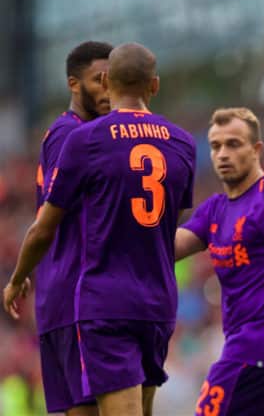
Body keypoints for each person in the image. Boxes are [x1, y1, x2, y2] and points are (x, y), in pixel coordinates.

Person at [3, 42, 196, 416]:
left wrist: (18, 275)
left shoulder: (85, 139)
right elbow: (165, 226)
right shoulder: (182, 142)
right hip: (152, 300)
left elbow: (44, 227)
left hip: (94, 301)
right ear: (154, 86)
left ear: (109, 81)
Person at [175, 107, 264, 416]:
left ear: (256, 150)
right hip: (259, 347)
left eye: (234, 144)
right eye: (216, 146)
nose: (223, 154)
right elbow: (172, 246)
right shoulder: (215, 208)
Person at [34, 40, 114, 416]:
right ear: (73, 84)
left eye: (114, 81)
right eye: (99, 80)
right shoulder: (74, 137)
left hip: (59, 298)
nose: (108, 90)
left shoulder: (64, 134)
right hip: (79, 298)